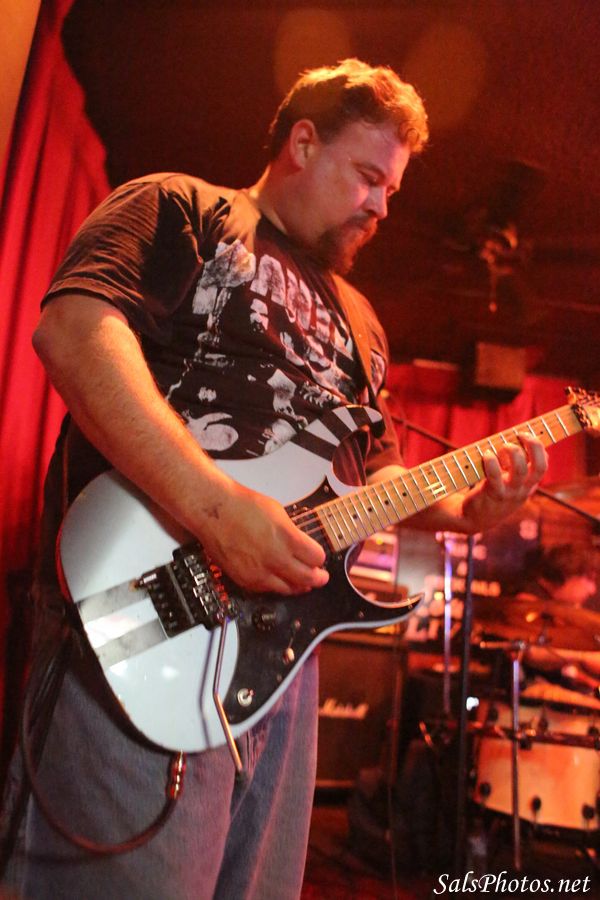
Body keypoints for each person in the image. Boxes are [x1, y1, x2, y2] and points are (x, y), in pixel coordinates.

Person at [6, 59, 547, 899]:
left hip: (284, 657)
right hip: (153, 604)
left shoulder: (364, 324)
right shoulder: (181, 207)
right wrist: (218, 511)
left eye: (392, 190)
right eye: (368, 176)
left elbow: (377, 477)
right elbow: (74, 332)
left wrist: (469, 508)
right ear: (302, 142)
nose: (382, 206)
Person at [517, 544, 600, 695]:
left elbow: (564, 671)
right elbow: (532, 653)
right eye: (589, 579)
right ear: (567, 574)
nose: (592, 590)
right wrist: (585, 655)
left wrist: (590, 682)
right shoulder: (528, 603)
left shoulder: (556, 608)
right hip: (529, 691)